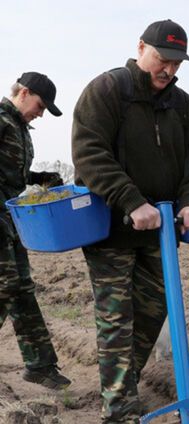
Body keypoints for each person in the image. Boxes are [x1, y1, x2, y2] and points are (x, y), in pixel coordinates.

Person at [72, 20, 189, 423]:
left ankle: (121, 385)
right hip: (111, 231)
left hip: (161, 234)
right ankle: (119, 412)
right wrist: (131, 202)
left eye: (176, 63)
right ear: (141, 48)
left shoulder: (182, 106)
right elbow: (90, 153)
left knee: (152, 315)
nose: (169, 70)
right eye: (163, 59)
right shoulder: (108, 91)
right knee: (117, 321)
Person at [0, 72, 70, 390]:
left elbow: (14, 172)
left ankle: (40, 365)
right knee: (7, 285)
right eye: (40, 106)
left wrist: (40, 177)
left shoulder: (20, 129)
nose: (40, 114)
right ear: (24, 92)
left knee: (22, 288)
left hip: (11, 220)